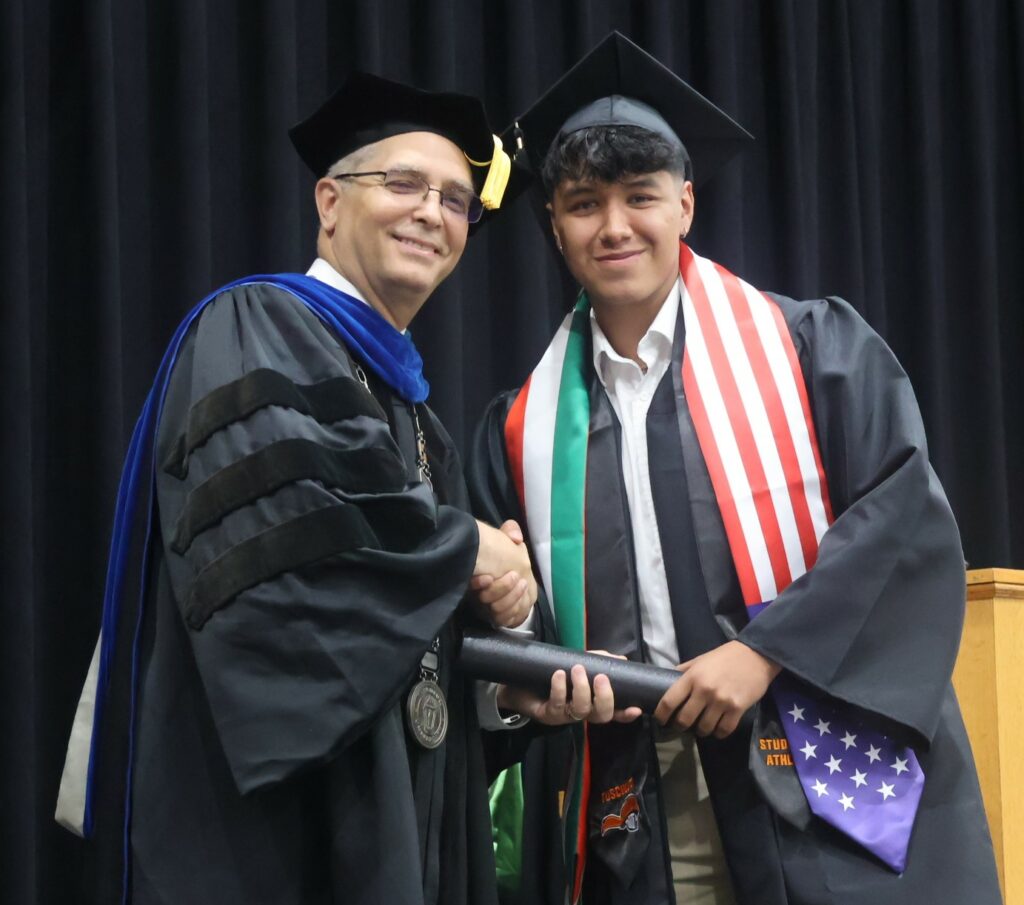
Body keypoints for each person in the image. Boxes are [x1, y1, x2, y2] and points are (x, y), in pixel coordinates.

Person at [469, 32, 1001, 905]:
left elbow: (901, 517)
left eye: (640, 196)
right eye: (582, 204)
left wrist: (764, 652)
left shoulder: (809, 350)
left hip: (815, 764)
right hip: (631, 788)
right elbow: (507, 629)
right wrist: (536, 686)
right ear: (554, 227)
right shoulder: (520, 427)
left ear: (685, 204)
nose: (614, 226)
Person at [54, 72, 539, 905]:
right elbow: (297, 561)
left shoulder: (425, 425)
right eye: (403, 182)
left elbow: (415, 650)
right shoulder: (255, 329)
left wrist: (515, 656)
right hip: (269, 836)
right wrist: (473, 549)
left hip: (392, 833)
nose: (433, 211)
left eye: (458, 200)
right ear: (328, 201)